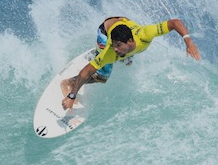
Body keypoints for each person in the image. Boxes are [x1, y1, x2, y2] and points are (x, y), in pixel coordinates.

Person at [61, 16, 201, 111]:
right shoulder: (110, 51)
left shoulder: (145, 34)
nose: (115, 49)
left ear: (130, 41)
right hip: (106, 30)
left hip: (122, 23)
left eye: (118, 46)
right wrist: (72, 95)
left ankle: (111, 54)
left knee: (126, 61)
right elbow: (87, 70)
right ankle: (69, 82)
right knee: (102, 76)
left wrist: (188, 42)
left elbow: (174, 22)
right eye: (114, 46)